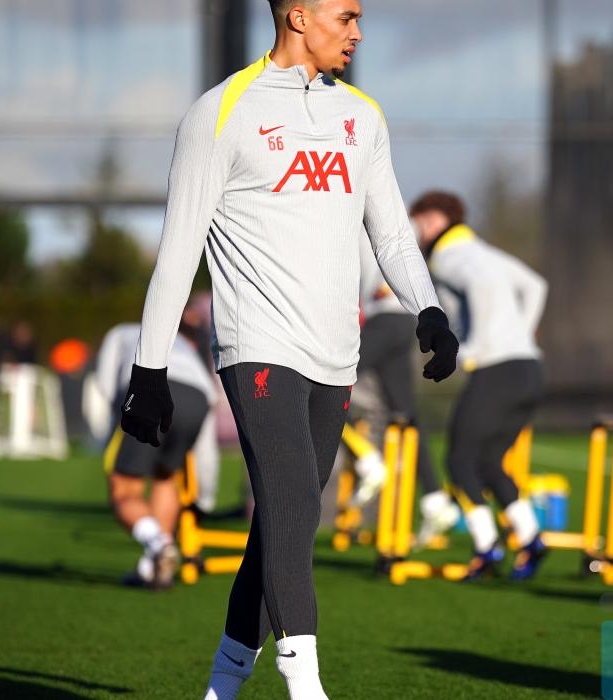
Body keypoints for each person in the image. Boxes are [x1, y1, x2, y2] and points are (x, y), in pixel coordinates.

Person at [118, 1, 458, 697]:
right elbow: (178, 248)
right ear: (298, 16)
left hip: (337, 354)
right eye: (346, 16)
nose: (358, 32)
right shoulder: (220, 111)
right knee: (294, 506)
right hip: (258, 344)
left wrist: (427, 308)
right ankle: (306, 687)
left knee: (286, 521)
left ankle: (221, 687)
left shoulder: (363, 115)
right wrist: (149, 368)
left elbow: (392, 233)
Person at [410, 190, 550, 582]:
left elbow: (482, 290)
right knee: (488, 463)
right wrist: (522, 334)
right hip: (529, 368)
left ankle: (487, 549)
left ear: (434, 221)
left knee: (459, 461)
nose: (417, 233)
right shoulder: (484, 251)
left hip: (497, 369)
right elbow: (536, 286)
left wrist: (472, 349)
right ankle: (530, 539)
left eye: (418, 224)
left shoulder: (449, 257)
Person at [94, 305, 215, 590]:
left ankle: (159, 545)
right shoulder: (180, 340)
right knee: (165, 478)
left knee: (125, 488)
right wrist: (206, 498)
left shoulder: (121, 332)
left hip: (150, 387)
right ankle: (155, 566)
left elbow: (105, 384)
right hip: (198, 399)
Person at [354, 231, 461, 543]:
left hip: (384, 318)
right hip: (404, 320)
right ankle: (435, 499)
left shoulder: (354, 213)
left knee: (327, 381)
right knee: (405, 411)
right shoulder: (400, 222)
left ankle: (368, 460)